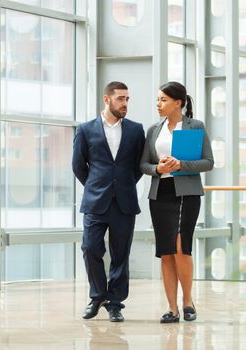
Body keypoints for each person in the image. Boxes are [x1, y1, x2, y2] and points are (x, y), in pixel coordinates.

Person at [139, 81, 214, 323]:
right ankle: (172, 308)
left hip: (187, 192)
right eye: (157, 100)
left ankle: (187, 300)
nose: (158, 104)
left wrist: (181, 165)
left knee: (182, 247)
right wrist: (158, 168)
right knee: (167, 252)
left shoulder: (195, 126)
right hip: (161, 192)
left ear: (178, 102)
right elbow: (143, 165)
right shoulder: (153, 130)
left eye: (163, 100)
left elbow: (208, 162)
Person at [72, 81, 145, 322]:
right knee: (90, 248)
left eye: (127, 99)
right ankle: (97, 296)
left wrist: (121, 185)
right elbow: (78, 166)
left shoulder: (136, 130)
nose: (125, 103)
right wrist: (97, 186)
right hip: (95, 200)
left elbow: (138, 167)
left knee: (120, 254)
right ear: (107, 99)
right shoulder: (85, 129)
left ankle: (115, 303)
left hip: (124, 201)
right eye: (120, 99)